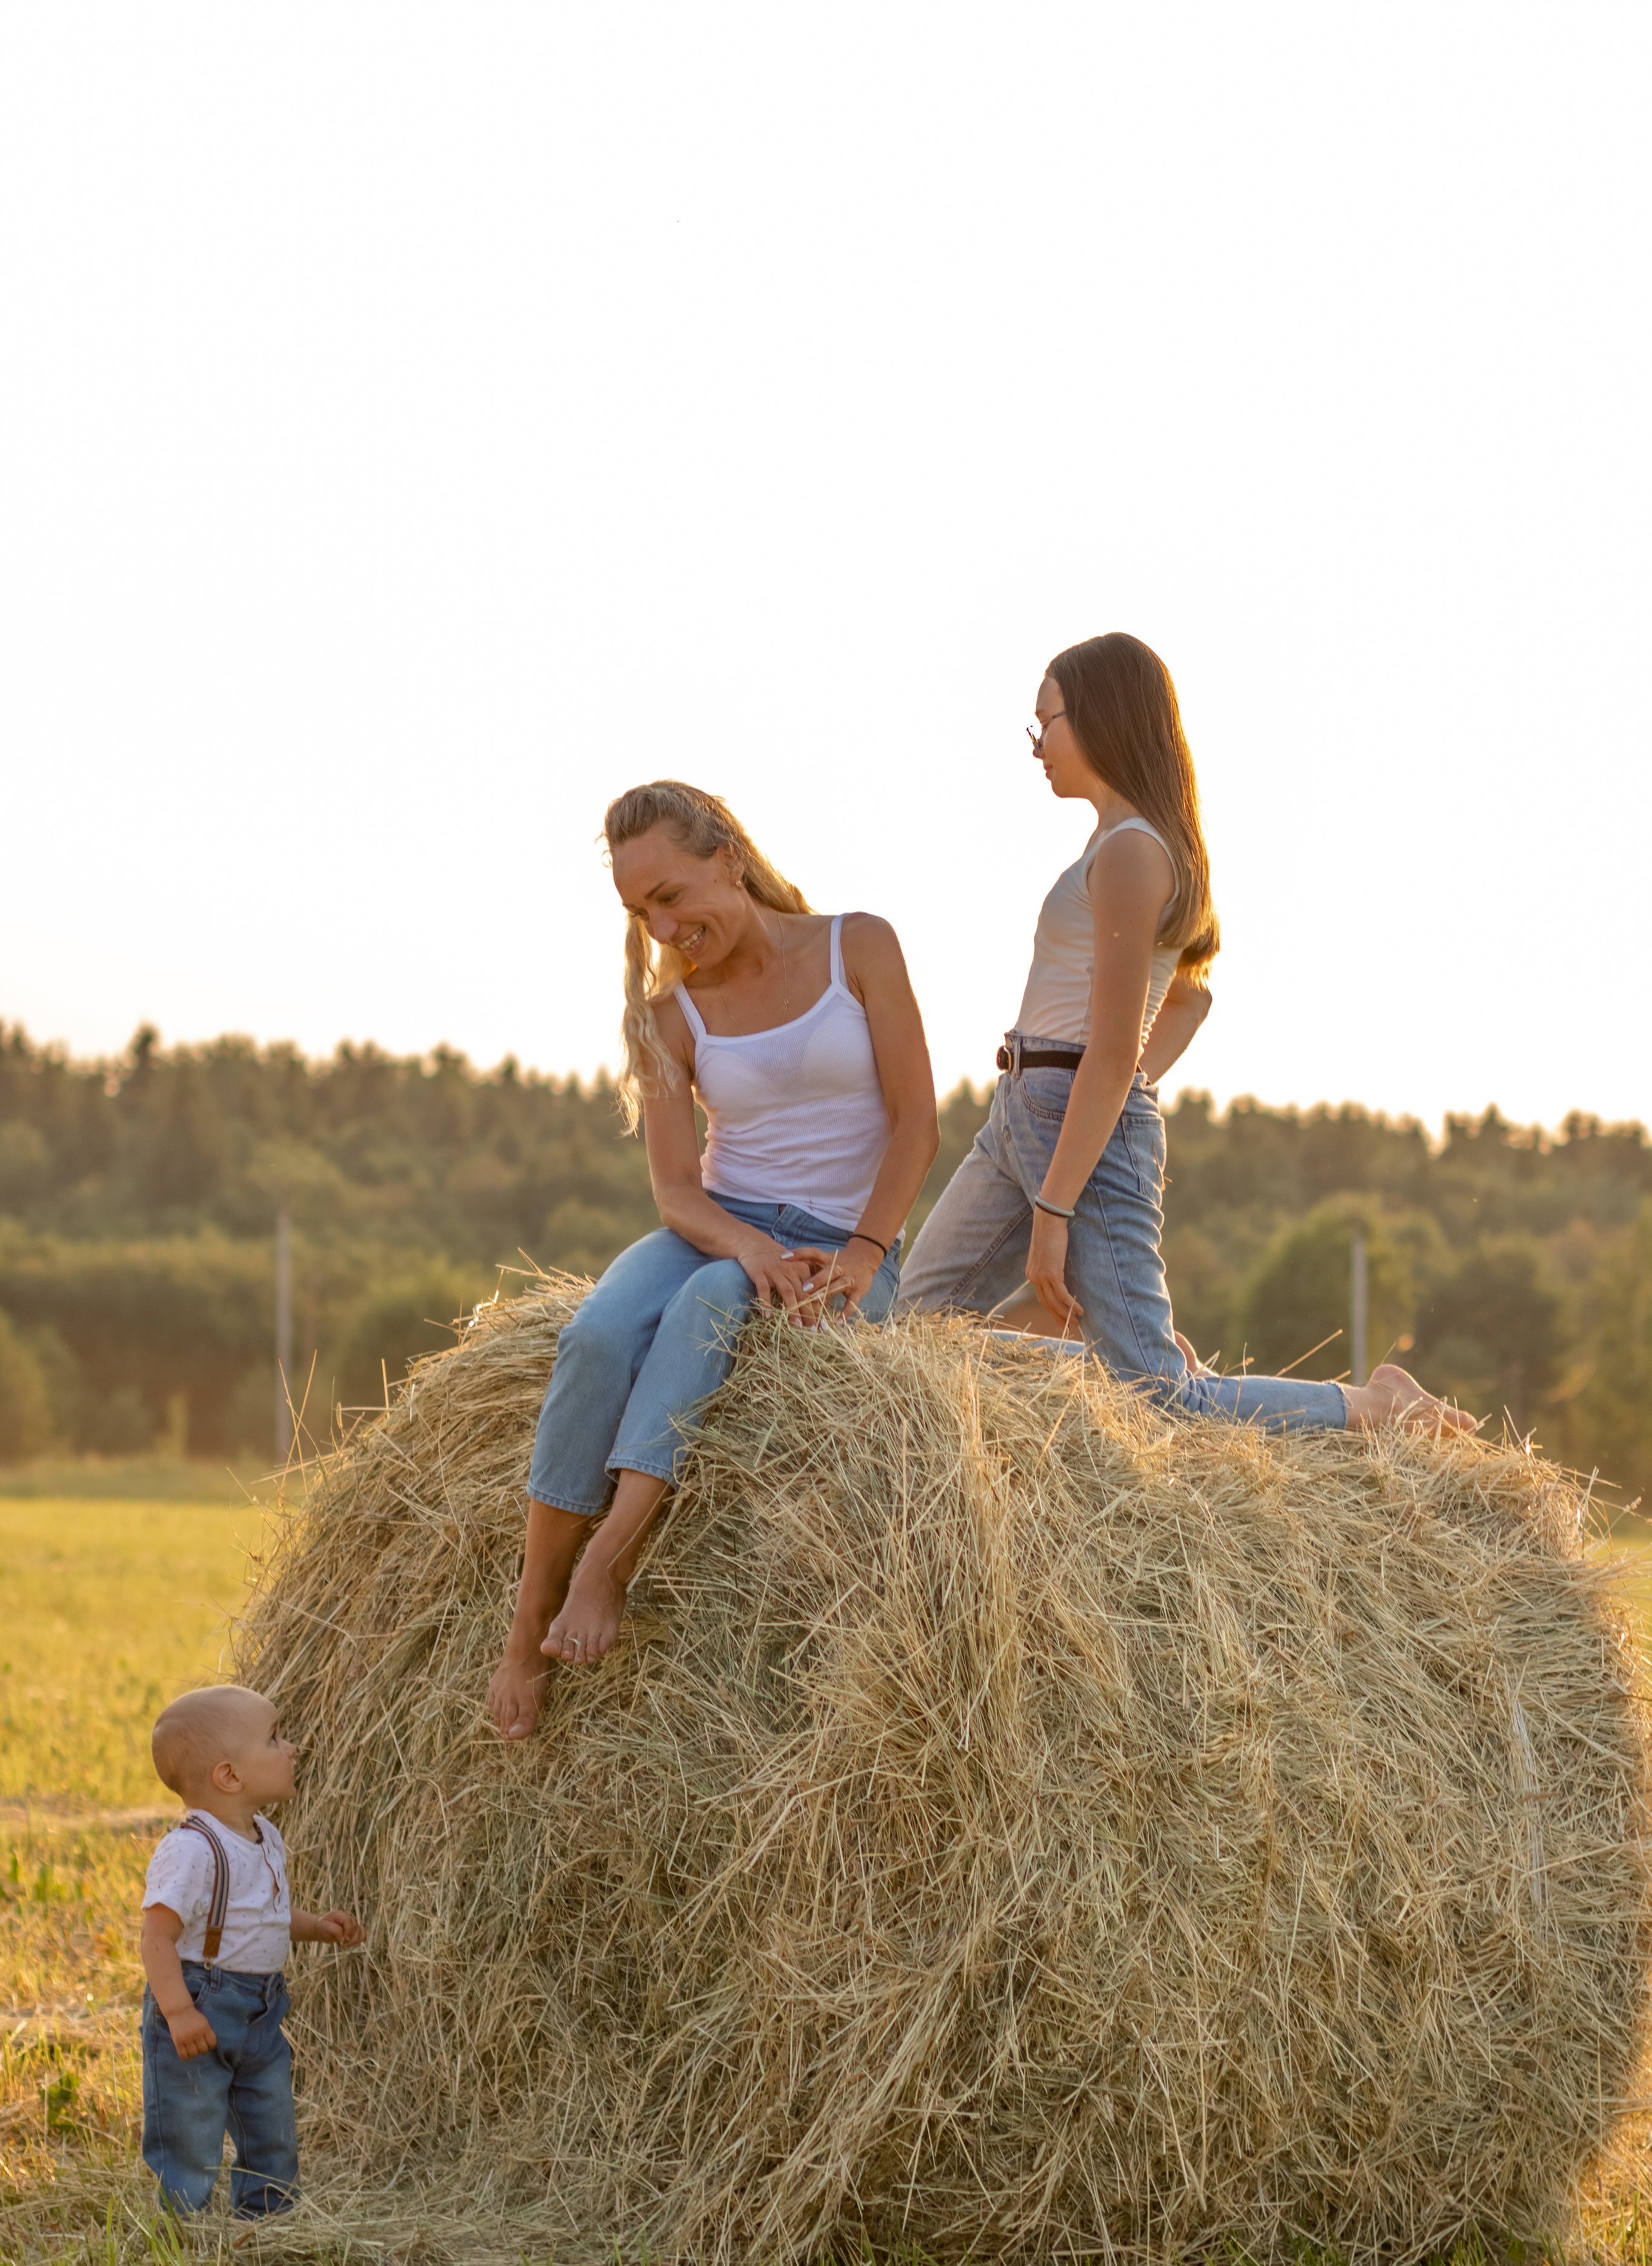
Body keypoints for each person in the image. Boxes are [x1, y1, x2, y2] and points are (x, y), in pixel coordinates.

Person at [899, 632, 1471, 1435]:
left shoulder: (1134, 853)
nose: (1037, 747)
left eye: (1045, 723)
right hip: (1024, 1108)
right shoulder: (1111, 844)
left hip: (1071, 1117)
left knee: (1162, 1403)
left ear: (1096, 719)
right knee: (913, 1328)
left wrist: (1058, 1204)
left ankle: (1376, 1406)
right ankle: (1127, 1348)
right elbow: (1188, 1002)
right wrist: (1106, 1098)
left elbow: (1110, 1051)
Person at [488, 781, 938, 1736]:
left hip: (846, 1244)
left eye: (672, 896)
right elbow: (677, 1193)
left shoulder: (860, 945)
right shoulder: (669, 1014)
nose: (663, 927)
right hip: (722, 1221)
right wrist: (748, 1243)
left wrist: (864, 1252)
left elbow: (917, 1124)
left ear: (728, 858)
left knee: (709, 1308)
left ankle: (607, 1563)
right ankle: (526, 1624)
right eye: (640, 911)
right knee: (597, 1338)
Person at [140, 1685, 363, 2221]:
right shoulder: (192, 1849)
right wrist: (178, 2011)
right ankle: (183, 2227)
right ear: (230, 1777)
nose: (293, 1748)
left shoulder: (265, 1835)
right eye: (275, 1739)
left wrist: (316, 1926)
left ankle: (268, 2221)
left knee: (270, 2118)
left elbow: (261, 1917)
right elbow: (156, 1938)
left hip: (262, 2008)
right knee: (189, 2125)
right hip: (201, 2001)